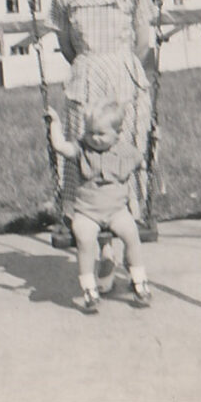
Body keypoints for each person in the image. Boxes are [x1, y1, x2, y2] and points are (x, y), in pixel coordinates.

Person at [49, 0, 156, 232]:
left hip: (125, 74)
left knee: (125, 145)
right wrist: (91, 64)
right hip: (86, 77)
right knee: (88, 148)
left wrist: (119, 64)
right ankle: (91, 222)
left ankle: (128, 220)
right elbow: (67, 46)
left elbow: (142, 41)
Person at [46, 102, 152, 312]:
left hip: (117, 211)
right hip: (87, 212)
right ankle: (89, 289)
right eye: (90, 132)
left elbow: (145, 164)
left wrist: (155, 143)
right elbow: (60, 146)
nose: (94, 138)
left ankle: (139, 282)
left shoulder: (126, 151)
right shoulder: (81, 149)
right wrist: (55, 124)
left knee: (132, 236)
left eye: (101, 134)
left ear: (117, 133)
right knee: (85, 240)